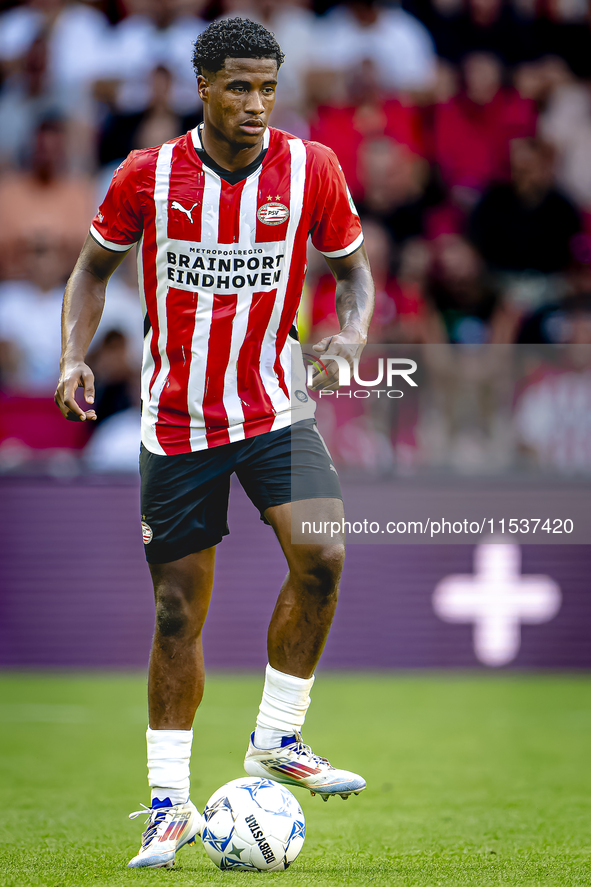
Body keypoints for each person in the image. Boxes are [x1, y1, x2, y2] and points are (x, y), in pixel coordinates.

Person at [54, 17, 374, 871]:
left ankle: (278, 738)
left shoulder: (312, 167)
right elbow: (91, 268)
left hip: (276, 409)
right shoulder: (148, 175)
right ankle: (169, 806)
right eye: (238, 85)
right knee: (175, 612)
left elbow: (353, 268)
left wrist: (348, 333)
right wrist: (74, 354)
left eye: (268, 86)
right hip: (177, 423)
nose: (256, 103)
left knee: (325, 556)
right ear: (202, 86)